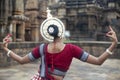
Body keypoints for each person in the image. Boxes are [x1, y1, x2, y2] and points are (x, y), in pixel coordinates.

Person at [2, 25, 118, 80]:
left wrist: (6, 49)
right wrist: (113, 44)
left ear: (49, 35)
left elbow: (21, 60)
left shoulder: (42, 48)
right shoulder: (71, 49)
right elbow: (98, 61)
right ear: (62, 33)